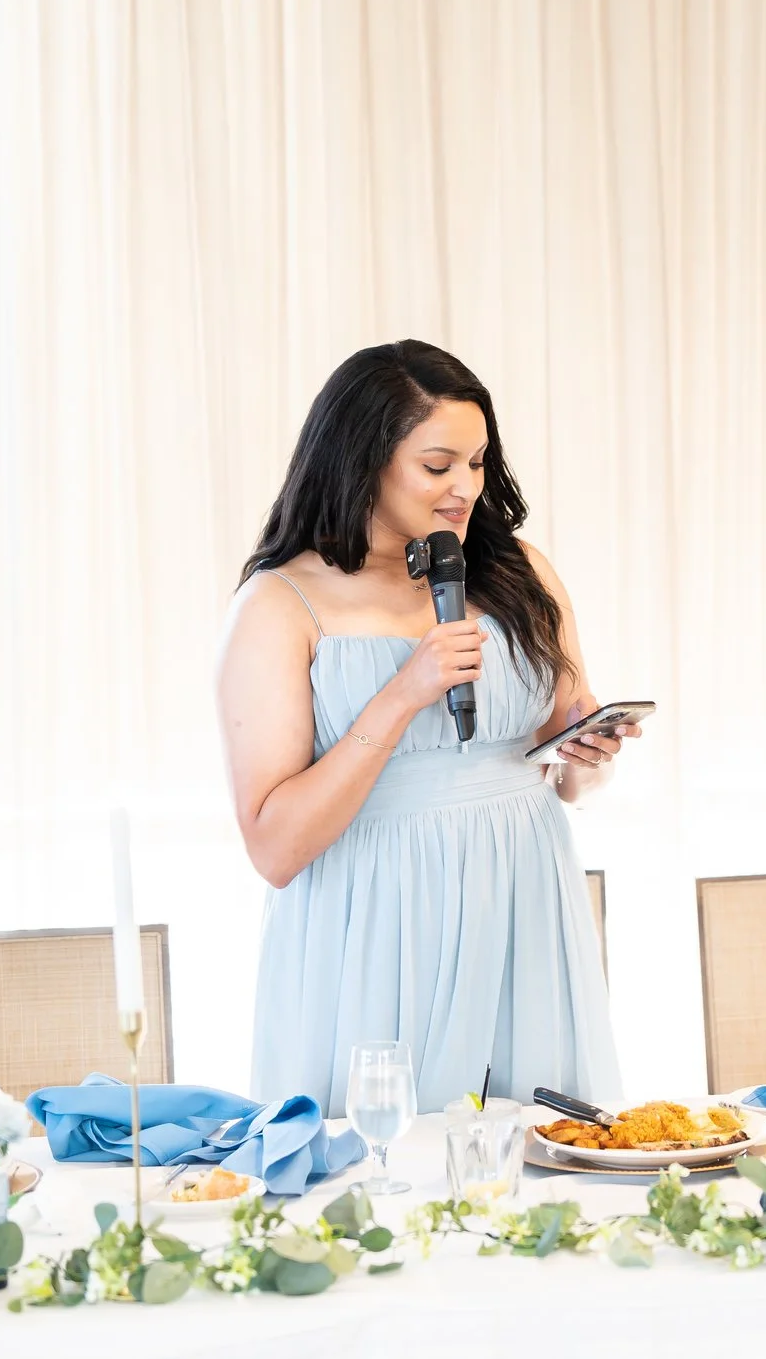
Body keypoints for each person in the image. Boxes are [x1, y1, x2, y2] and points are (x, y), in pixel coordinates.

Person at [220, 340, 631, 1112]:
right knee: (384, 1180)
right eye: (438, 465)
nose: (465, 488)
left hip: (522, 905)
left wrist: (589, 746)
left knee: (539, 1176)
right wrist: (401, 692)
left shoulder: (522, 574)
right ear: (363, 459)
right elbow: (274, 847)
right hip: (375, 925)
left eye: (477, 463)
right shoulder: (279, 605)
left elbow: (577, 780)